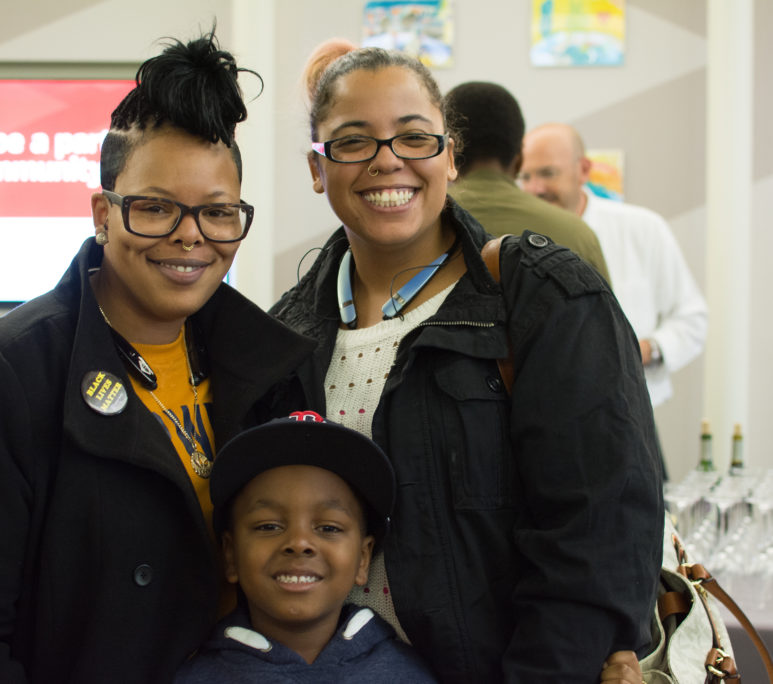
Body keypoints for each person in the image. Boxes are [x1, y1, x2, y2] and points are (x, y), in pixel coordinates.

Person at [0, 30, 315, 683]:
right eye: (155, 208)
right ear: (102, 214)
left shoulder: (273, 371)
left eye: (217, 214)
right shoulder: (0, 376)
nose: (189, 237)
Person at [269, 43, 663, 682]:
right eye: (351, 142)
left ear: (449, 155)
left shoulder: (542, 298)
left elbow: (597, 541)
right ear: (318, 169)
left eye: (414, 137)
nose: (387, 160)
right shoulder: (290, 332)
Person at [175, 410, 438, 683]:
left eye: (328, 528)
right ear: (230, 555)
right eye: (268, 526)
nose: (299, 543)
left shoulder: (409, 675)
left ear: (362, 558)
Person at [520, 122, 708, 413]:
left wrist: (643, 349)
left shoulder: (644, 228)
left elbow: (691, 318)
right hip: (537, 413)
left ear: (583, 170)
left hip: (628, 413)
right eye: (525, 176)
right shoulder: (514, 238)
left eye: (547, 173)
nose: (535, 188)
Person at [444, 81, 611, 283]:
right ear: (520, 159)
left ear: (448, 155)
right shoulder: (579, 235)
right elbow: (604, 313)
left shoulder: (418, 229)